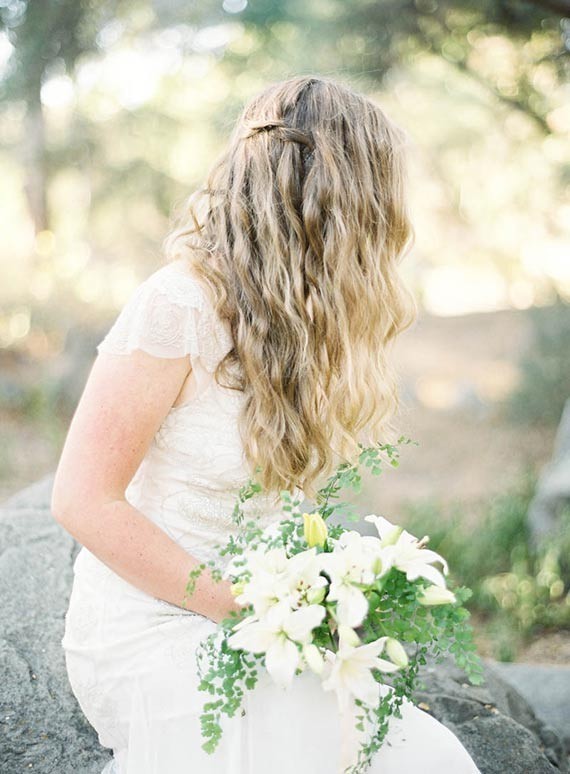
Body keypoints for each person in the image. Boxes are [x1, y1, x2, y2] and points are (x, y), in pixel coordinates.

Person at [52, 74, 481, 774]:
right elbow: (81, 499)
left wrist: (320, 595)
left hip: (261, 626)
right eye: (377, 196)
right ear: (332, 199)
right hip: (150, 630)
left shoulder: (303, 318)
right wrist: (246, 610)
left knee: (430, 758)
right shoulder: (177, 304)